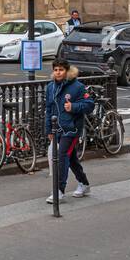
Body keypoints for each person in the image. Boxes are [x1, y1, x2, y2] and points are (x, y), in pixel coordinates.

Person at [44, 59, 94, 202]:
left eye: (61, 70)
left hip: (72, 129)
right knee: (71, 159)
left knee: (61, 156)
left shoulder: (77, 87)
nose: (58, 72)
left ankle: (59, 190)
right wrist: (49, 129)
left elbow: (89, 104)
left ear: (67, 71)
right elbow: (48, 109)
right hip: (57, 128)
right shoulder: (50, 87)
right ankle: (84, 184)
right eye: (56, 70)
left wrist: (73, 107)